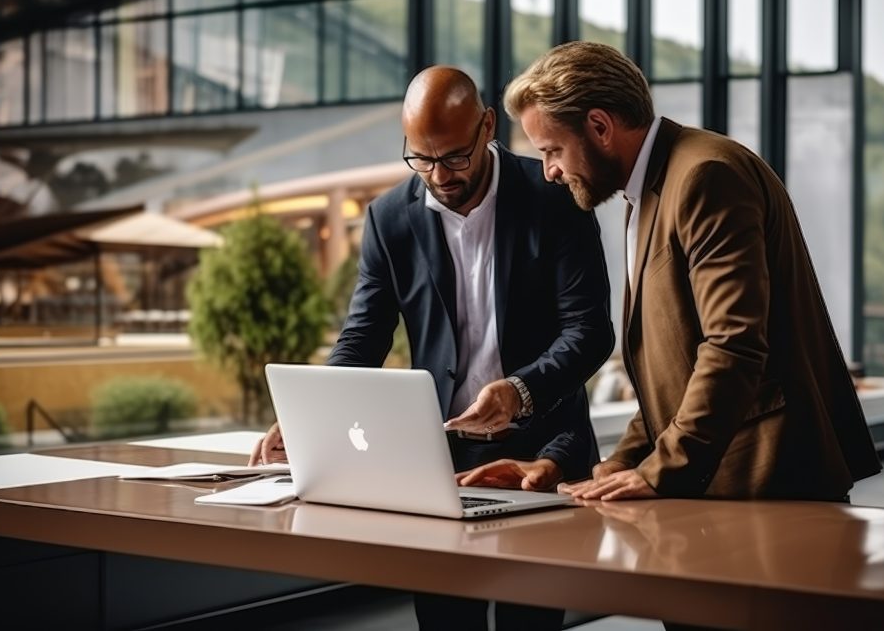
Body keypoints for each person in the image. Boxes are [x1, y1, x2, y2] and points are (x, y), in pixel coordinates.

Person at [250, 65, 615, 631]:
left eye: (455, 157)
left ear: (487, 126)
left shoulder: (554, 196)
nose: (439, 175)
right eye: (421, 158)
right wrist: (311, 417)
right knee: (445, 620)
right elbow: (364, 336)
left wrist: (520, 391)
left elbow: (589, 332)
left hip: (544, 452)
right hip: (436, 460)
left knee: (529, 622)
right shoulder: (389, 218)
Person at [498, 41, 881, 506]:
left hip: (769, 481)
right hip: (729, 481)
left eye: (552, 150)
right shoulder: (653, 186)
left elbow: (733, 344)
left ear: (599, 126)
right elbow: (675, 364)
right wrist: (626, 460)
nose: (549, 172)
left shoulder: (706, 176)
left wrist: (659, 470)